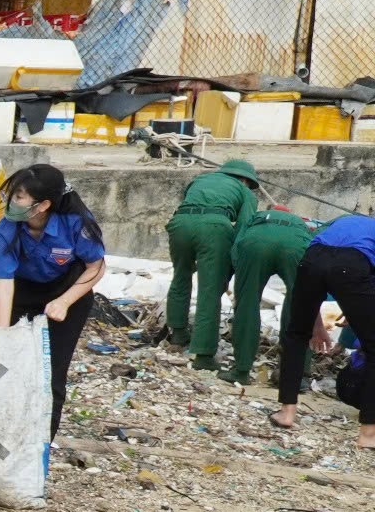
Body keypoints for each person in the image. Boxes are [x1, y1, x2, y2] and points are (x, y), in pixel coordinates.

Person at [0, 162, 107, 437]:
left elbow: (96, 267)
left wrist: (64, 302)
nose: (11, 202)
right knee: (15, 367)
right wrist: (2, 334)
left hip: (68, 293)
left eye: (18, 197)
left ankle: (42, 442)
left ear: (42, 205)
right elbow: (4, 284)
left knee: (52, 374)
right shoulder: (8, 227)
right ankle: (11, 435)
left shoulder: (75, 222)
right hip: (24, 292)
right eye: (11, 195)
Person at [270, 213, 375, 450]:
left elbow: (319, 276)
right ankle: (369, 433)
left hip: (312, 260)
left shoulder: (341, 223)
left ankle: (286, 413)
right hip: (352, 265)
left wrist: (316, 326)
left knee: (296, 335)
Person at [159, 158, 263, 370]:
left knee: (181, 276)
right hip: (215, 227)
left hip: (180, 223)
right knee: (210, 290)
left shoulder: (200, 179)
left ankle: (178, 333)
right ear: (245, 179)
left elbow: (188, 203)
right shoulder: (245, 193)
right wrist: (232, 264)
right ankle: (204, 355)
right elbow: (244, 227)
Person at [224, 205, 317, 386]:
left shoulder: (256, 216)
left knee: (247, 304)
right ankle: (296, 377)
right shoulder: (299, 223)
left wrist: (239, 271)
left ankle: (241, 371)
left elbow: (237, 244)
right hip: (295, 245)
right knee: (299, 306)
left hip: (255, 243)